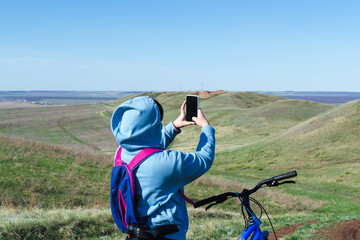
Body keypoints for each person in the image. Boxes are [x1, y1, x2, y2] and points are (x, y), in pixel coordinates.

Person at [111, 96, 215, 240]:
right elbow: (204, 159)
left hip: (137, 234)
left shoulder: (120, 153)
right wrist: (206, 128)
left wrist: (173, 127)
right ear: (152, 127)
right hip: (166, 235)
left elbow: (146, 152)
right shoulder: (169, 163)